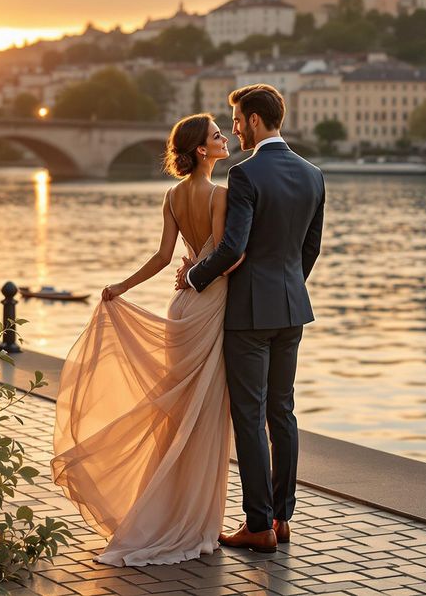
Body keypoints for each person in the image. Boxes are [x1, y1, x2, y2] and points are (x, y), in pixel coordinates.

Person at [52, 113, 238, 566]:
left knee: (178, 415)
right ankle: (194, 521)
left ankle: (163, 509)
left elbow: (161, 257)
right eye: (217, 135)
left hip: (181, 306)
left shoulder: (174, 196)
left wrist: (121, 287)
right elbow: (226, 257)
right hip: (210, 304)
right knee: (204, 417)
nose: (224, 137)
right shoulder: (220, 195)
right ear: (201, 150)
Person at [177, 83, 325, 554]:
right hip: (292, 308)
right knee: (283, 412)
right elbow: (309, 250)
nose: (235, 129)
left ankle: (257, 524)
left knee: (249, 414)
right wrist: (285, 288)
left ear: (255, 121)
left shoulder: (245, 175)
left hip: (249, 316)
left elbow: (233, 248)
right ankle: (283, 519)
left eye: (237, 121)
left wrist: (194, 279)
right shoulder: (313, 175)